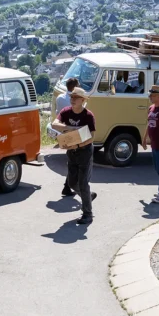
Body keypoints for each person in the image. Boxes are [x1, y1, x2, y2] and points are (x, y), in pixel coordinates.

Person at [52, 87, 97, 225]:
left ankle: (87, 214)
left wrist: (77, 145)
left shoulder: (88, 115)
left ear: (83, 100)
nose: (72, 100)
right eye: (71, 97)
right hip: (71, 152)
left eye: (75, 97)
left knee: (83, 183)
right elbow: (54, 124)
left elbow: (92, 137)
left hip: (85, 152)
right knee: (72, 183)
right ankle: (88, 196)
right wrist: (71, 129)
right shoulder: (66, 112)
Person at [55, 77, 79, 197]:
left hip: (63, 131)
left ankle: (68, 186)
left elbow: (57, 114)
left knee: (72, 159)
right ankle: (68, 186)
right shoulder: (76, 100)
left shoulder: (60, 98)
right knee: (75, 161)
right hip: (73, 132)